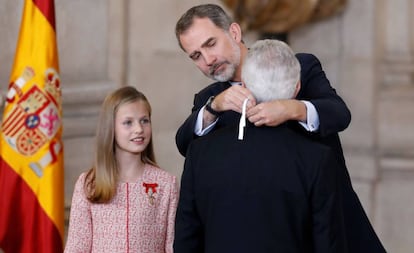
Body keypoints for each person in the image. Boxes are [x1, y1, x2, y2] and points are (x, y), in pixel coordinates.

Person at [174, 4, 386, 252]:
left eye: (210, 44)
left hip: (329, 229)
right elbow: (184, 143)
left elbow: (339, 114)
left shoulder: (300, 67)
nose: (208, 60)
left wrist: (291, 108)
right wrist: (213, 107)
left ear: (233, 32)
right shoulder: (209, 99)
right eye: (196, 56)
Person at [174, 39, 347, 253]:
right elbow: (328, 243)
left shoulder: (199, 153)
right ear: (297, 89)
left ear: (244, 86)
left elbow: (185, 239)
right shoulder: (317, 159)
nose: (208, 58)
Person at [64, 86, 178, 253]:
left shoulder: (165, 184)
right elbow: (77, 247)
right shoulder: (88, 184)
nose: (139, 129)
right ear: (111, 128)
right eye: (128, 122)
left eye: (144, 120)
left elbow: (172, 246)